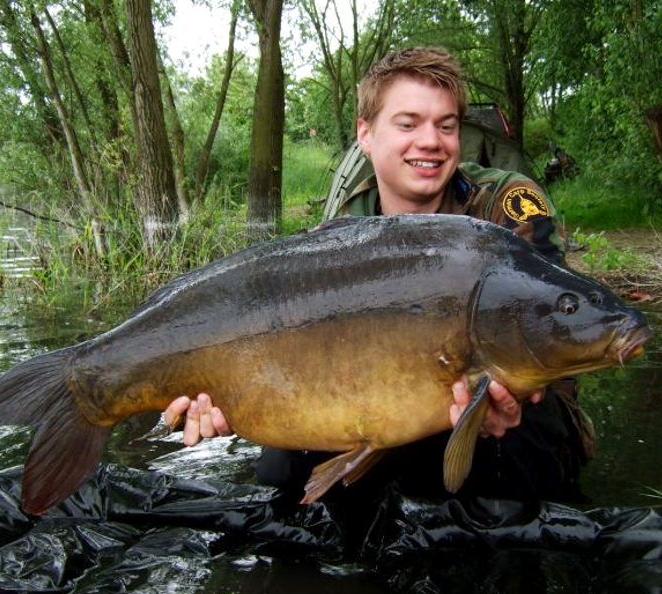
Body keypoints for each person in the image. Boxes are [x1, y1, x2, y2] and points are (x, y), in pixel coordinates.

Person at [164, 47, 589, 504]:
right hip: (388, 398)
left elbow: (555, 320)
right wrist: (237, 395)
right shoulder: (346, 224)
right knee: (278, 467)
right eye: (408, 124)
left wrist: (511, 400)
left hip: (517, 405)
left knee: (527, 456)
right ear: (365, 134)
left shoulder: (504, 203)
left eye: (446, 126)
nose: (430, 141)